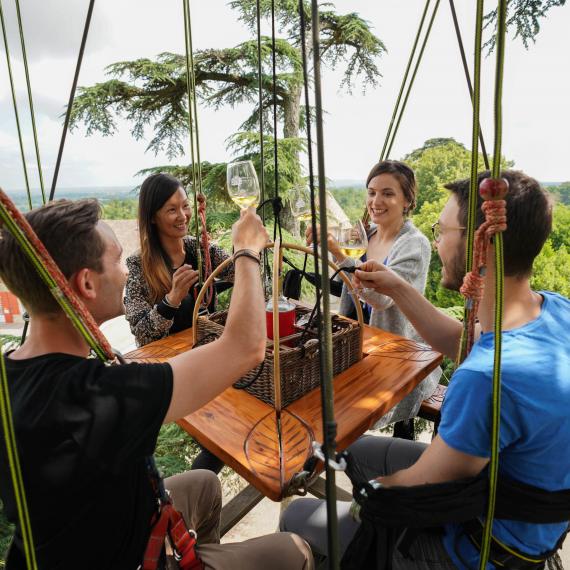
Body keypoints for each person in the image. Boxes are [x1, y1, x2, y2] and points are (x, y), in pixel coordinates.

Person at [0, 199, 313, 570]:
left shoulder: (12, 370)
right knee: (295, 550)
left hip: (81, 534)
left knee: (205, 485)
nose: (126, 272)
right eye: (117, 261)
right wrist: (247, 252)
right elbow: (245, 348)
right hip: (127, 557)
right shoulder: (99, 395)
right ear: (85, 283)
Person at [282, 169, 570, 568]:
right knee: (356, 447)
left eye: (443, 229)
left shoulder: (486, 377)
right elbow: (463, 343)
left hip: (480, 544)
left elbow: (426, 482)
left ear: (480, 245)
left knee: (295, 515)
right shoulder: (554, 308)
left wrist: (369, 497)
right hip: (522, 505)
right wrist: (398, 287)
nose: (436, 239)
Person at [307, 160, 440, 436]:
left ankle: (372, 461)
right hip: (358, 343)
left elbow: (382, 299)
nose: (376, 201)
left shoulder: (415, 244)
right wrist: (325, 247)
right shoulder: (365, 235)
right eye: (371, 192)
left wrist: (341, 255)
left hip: (397, 354)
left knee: (347, 412)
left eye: (388, 193)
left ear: (407, 201)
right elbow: (344, 275)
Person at [125, 172, 233, 473]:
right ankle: (190, 501)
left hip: (208, 358)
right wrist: (171, 300)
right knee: (218, 442)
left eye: (185, 206)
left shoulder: (201, 250)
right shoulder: (140, 266)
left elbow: (241, 271)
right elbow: (142, 334)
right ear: (153, 217)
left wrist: (243, 246)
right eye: (172, 209)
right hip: (170, 371)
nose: (183, 215)